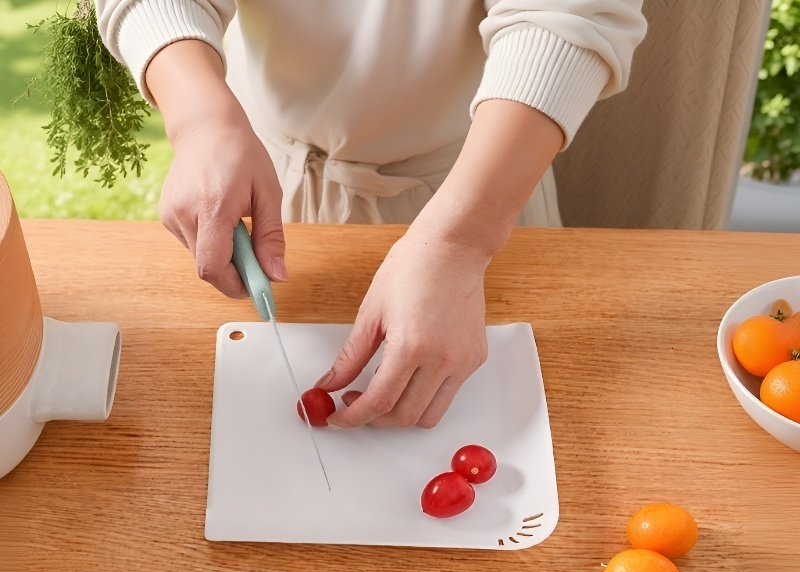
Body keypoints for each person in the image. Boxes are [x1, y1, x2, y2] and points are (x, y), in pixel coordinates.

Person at [97, 1, 647, 428]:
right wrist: (200, 120)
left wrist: (460, 242)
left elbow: (568, 15)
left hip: (478, 185)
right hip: (276, 180)